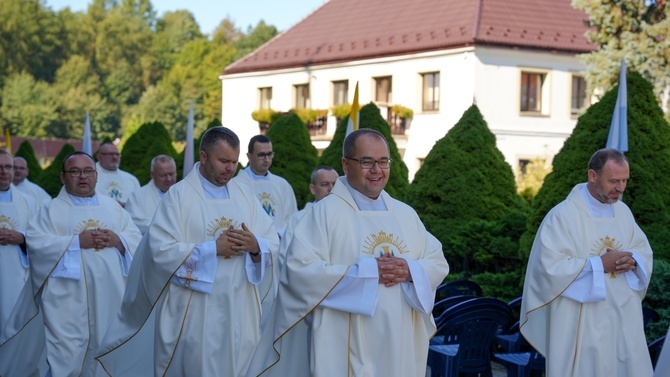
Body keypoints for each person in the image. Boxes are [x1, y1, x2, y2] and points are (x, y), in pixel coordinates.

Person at [247, 129, 449, 377]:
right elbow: (298, 272)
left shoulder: (405, 214)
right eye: (367, 162)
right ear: (345, 163)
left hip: (400, 342)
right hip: (343, 343)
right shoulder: (322, 214)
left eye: (383, 161)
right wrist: (366, 272)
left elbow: (437, 261)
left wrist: (411, 270)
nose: (377, 170)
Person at [96, 127, 280, 376]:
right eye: (223, 161)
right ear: (204, 157)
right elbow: (160, 250)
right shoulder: (178, 197)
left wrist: (256, 245)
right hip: (194, 310)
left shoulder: (244, 195)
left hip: (240, 307)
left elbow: (271, 238)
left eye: (235, 162)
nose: (230, 168)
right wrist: (213, 248)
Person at [520, 148, 653, 377]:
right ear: (593, 176)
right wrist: (600, 264)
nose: (620, 188)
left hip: (623, 318)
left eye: (624, 180)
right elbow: (549, 267)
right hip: (581, 320)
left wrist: (632, 260)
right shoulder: (562, 216)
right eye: (613, 181)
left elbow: (644, 251)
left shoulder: (623, 212)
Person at [7, 151, 142, 377]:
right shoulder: (50, 211)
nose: (82, 176)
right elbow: (37, 245)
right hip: (66, 301)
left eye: (88, 171)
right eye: (75, 171)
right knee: (66, 358)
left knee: (107, 355)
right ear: (63, 177)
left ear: (96, 175)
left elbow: (137, 240)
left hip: (110, 296)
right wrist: (76, 241)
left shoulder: (114, 208)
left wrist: (118, 240)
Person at [0, 152, 39, 327]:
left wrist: (22, 237)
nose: (4, 171)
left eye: (8, 167)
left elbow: (41, 235)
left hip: (16, 273)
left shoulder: (28, 203)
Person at [232, 135, 297, 236]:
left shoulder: (282, 185)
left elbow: (292, 217)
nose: (266, 159)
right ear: (249, 156)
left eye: (269, 154)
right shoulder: (237, 185)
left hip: (279, 244)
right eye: (261, 155)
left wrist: (279, 234)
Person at [125, 155, 177, 234]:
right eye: (163, 175)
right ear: (152, 175)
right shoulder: (136, 197)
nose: (168, 179)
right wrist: (167, 227)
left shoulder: (184, 194)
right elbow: (134, 223)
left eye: (171, 174)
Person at [95, 143, 140, 207]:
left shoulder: (131, 179)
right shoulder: (90, 176)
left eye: (117, 154)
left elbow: (139, 202)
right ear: (99, 157)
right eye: (110, 154)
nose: (114, 157)